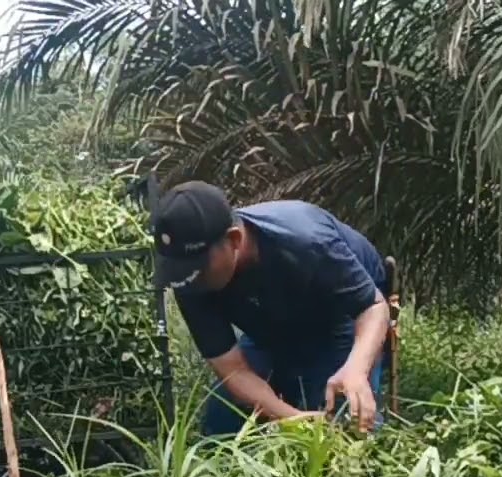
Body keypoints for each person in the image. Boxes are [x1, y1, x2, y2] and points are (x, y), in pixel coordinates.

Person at [151, 180, 392, 435]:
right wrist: (293, 419)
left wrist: (356, 369)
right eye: (181, 270)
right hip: (273, 324)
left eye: (198, 268)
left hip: (342, 315)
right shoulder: (187, 278)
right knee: (222, 421)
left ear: (234, 239)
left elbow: (373, 307)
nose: (190, 280)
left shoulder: (304, 242)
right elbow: (233, 369)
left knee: (343, 418)